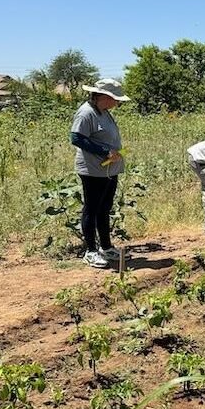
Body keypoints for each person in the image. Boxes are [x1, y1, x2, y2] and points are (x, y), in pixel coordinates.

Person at [70, 78, 130, 268]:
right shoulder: (86, 113)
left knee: (104, 208)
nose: (117, 103)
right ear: (104, 96)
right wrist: (105, 152)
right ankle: (91, 251)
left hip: (109, 169)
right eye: (115, 99)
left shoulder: (103, 112)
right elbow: (76, 138)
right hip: (93, 170)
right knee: (92, 208)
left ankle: (106, 246)